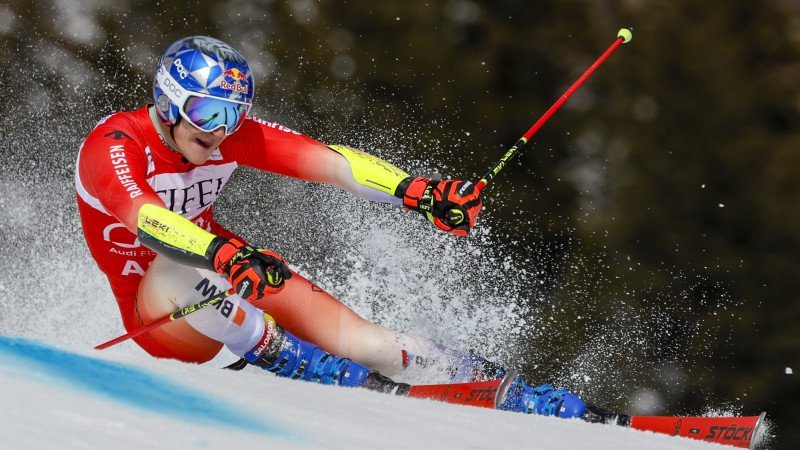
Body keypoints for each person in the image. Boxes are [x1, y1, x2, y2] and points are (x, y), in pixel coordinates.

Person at [75, 35, 585, 417]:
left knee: (371, 346)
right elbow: (147, 220)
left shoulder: (226, 138)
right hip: (163, 317)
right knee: (172, 271)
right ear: (168, 101)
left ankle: (496, 384)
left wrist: (419, 192)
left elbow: (331, 162)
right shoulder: (115, 143)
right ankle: (301, 362)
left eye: (232, 116)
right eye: (207, 112)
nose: (219, 132)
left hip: (230, 266)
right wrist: (223, 255)